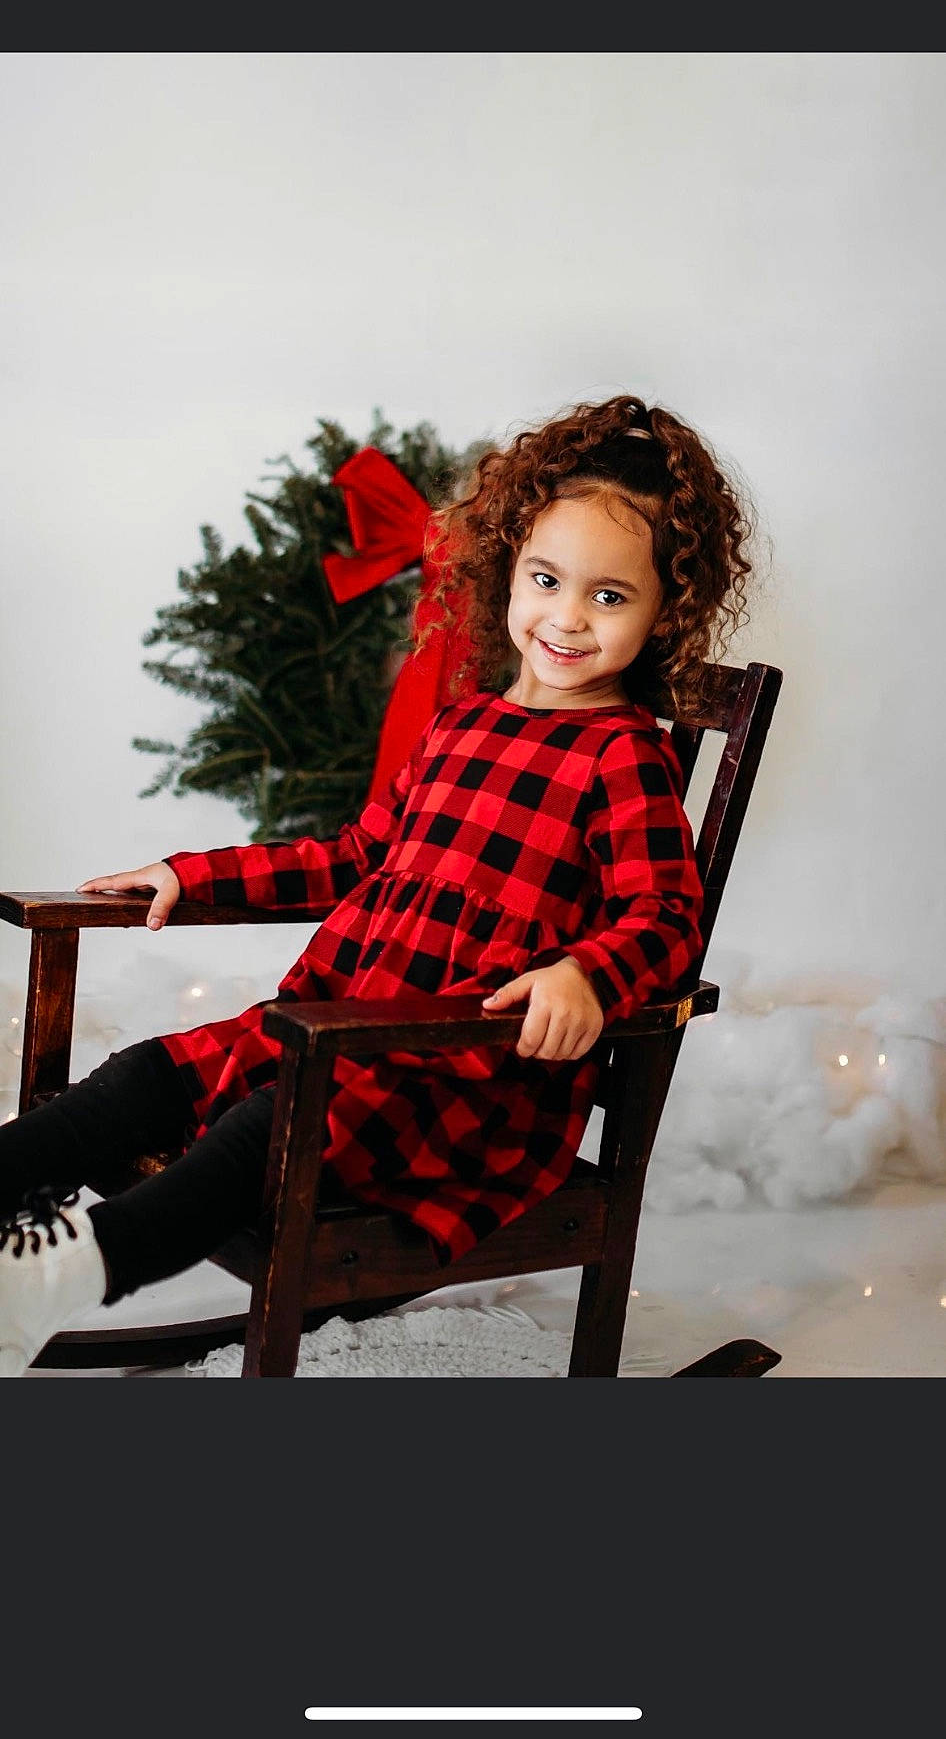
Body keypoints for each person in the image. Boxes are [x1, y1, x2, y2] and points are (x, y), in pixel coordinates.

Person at [0, 393, 755, 1375]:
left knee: (256, 1130)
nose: (567, 617)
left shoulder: (623, 756)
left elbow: (664, 915)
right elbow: (357, 856)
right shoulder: (461, 723)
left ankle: (51, 1283)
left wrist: (586, 973)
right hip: (338, 1033)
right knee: (149, 1073)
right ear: (508, 572)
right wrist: (187, 875)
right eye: (546, 578)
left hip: (462, 1080)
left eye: (609, 596)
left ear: (663, 613)